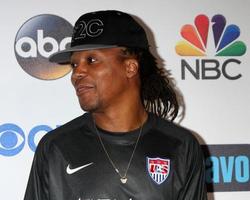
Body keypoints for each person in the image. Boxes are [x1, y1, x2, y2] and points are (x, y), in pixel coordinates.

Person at [24, 10, 207, 200]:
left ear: (130, 67)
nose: (77, 73)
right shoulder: (56, 148)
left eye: (91, 60)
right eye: (74, 65)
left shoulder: (181, 146)